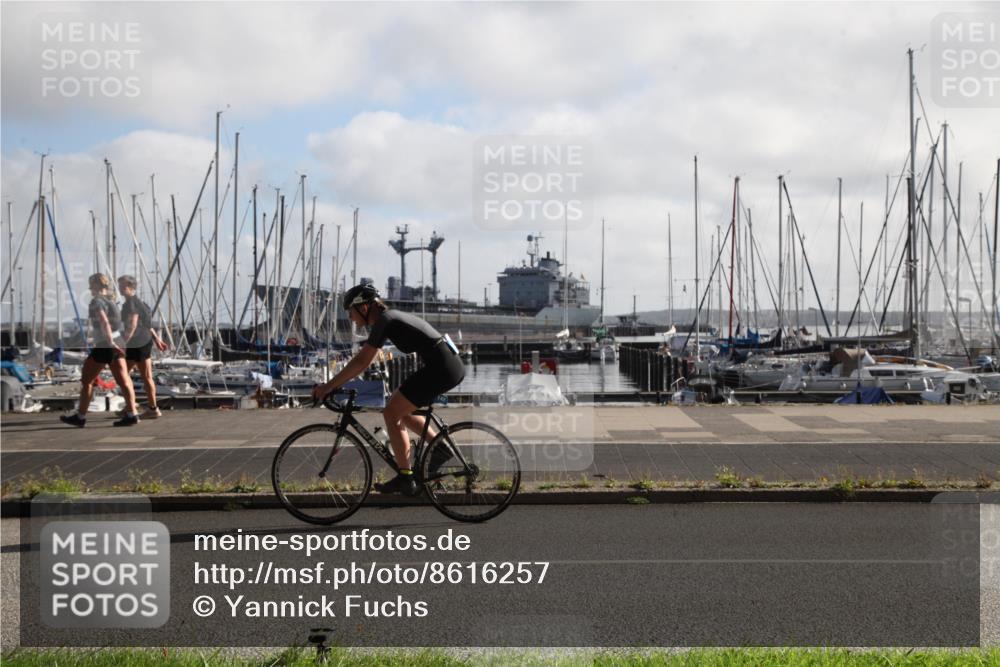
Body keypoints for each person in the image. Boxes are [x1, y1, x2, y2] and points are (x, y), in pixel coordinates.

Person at [311, 284, 465, 495]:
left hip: (443, 368)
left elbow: (362, 361)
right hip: (443, 364)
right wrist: (334, 384)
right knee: (401, 410)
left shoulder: (386, 320)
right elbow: (365, 360)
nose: (350, 317)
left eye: (350, 312)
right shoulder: (388, 319)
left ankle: (406, 477)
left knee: (391, 412)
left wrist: (329, 386)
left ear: (363, 307)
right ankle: (439, 448)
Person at [60, 273, 140, 427]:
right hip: (118, 341)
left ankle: (80, 417)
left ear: (96, 285)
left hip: (106, 344)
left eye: (91, 285)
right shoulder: (112, 301)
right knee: (124, 381)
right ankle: (132, 414)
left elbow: (104, 321)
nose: (89, 288)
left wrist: (109, 341)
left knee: (87, 380)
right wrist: (116, 341)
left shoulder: (96, 301)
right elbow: (118, 323)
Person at [118, 275, 169, 419]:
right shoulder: (143, 304)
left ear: (131, 287)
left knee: (123, 375)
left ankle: (131, 407)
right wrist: (157, 339)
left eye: (123, 286)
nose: (121, 289)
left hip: (135, 343)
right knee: (146, 376)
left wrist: (123, 342)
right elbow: (147, 324)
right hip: (146, 341)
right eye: (120, 286)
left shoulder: (130, 304)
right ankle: (152, 408)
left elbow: (133, 324)